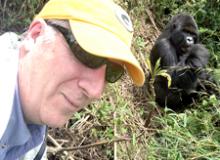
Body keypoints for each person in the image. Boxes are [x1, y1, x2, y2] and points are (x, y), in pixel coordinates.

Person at [0, 0, 145, 159]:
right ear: (35, 36)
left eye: (112, 72)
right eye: (87, 56)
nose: (95, 92)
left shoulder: (33, 138)